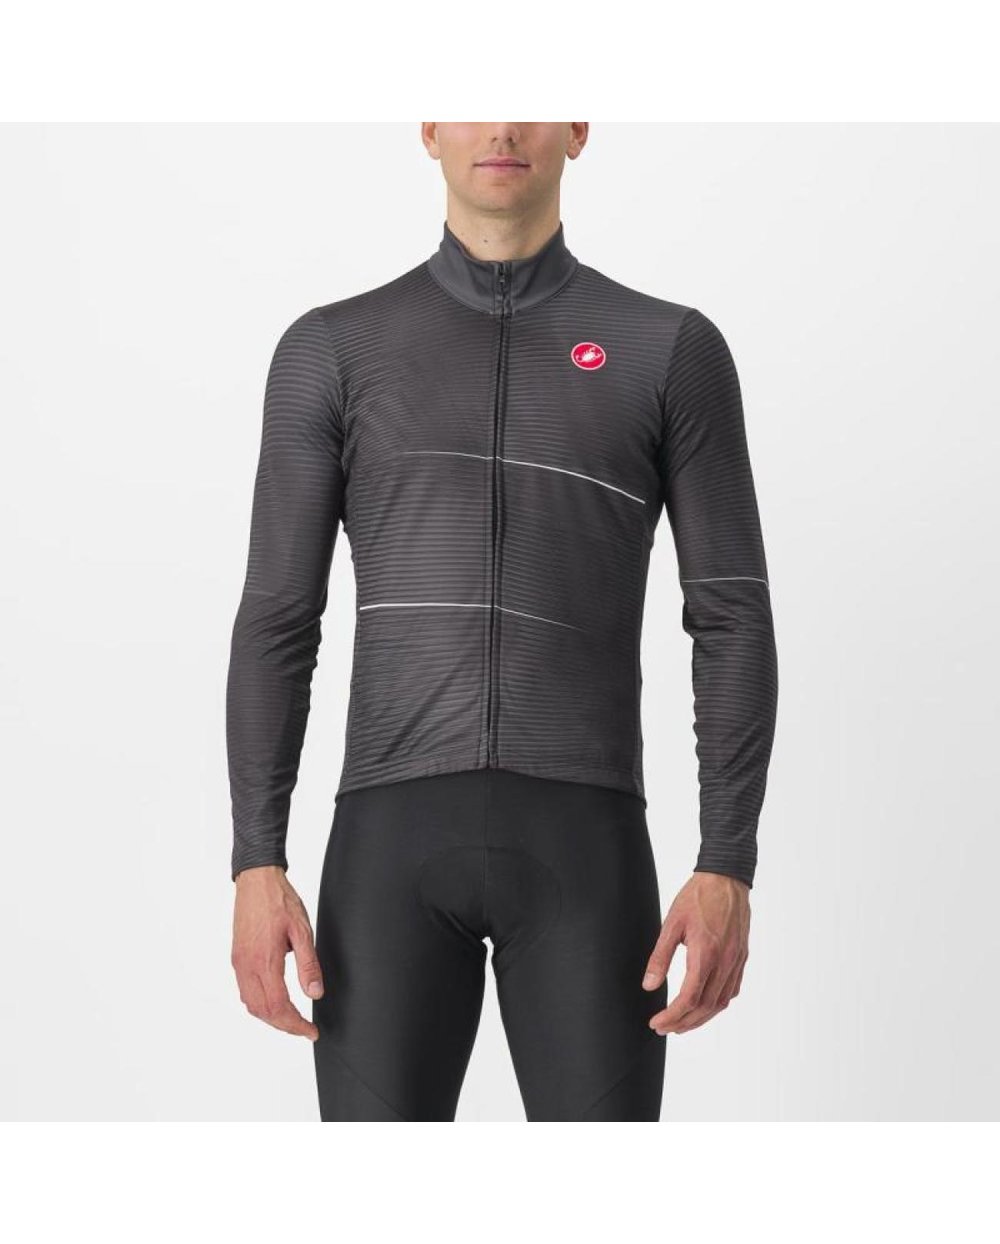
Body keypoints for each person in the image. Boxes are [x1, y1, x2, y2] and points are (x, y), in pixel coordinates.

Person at [226, 122, 778, 1121]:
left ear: (579, 127)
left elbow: (731, 612)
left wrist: (726, 862)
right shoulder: (332, 350)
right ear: (429, 127)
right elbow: (278, 616)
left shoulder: (668, 350)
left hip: (587, 851)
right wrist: (255, 860)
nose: (503, 127)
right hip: (388, 850)